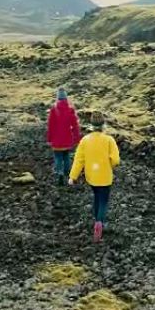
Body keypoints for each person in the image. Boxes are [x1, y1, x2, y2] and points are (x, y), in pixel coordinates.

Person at [68, 111, 120, 243]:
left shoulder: (85, 140)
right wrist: (109, 165)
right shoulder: (109, 140)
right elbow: (116, 160)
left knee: (96, 197)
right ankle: (99, 223)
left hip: (92, 177)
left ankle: (96, 219)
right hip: (105, 177)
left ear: (91, 125)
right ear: (103, 125)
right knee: (103, 201)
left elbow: (78, 160)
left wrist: (72, 177)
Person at [46, 87, 81, 186]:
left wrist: (49, 138)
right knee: (66, 156)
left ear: (58, 98)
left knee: (57, 157)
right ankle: (67, 172)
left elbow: (50, 126)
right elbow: (75, 125)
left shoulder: (54, 110)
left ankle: (59, 173)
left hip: (56, 140)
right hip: (67, 139)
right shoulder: (70, 110)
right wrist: (77, 138)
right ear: (66, 98)